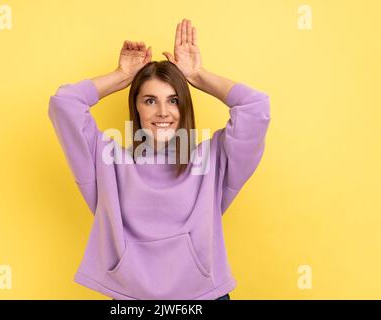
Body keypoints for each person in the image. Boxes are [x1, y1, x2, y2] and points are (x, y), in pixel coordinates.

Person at [48, 18, 271, 300]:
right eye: (150, 100)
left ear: (184, 106)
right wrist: (121, 76)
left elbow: (255, 106)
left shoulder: (211, 159)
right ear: (136, 107)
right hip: (132, 300)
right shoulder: (108, 160)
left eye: (174, 99)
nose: (163, 111)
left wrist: (198, 75)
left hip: (204, 298)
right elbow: (65, 103)